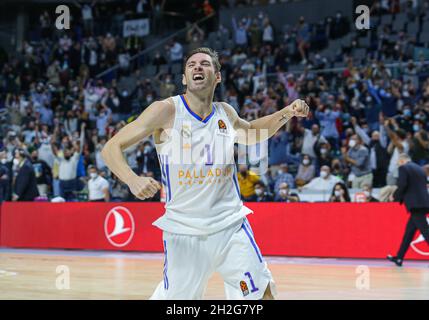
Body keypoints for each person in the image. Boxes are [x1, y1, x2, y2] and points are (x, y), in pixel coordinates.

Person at [101, 47, 309, 300]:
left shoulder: (225, 112)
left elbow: (253, 132)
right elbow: (111, 147)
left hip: (230, 225)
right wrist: (132, 179)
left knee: (262, 295)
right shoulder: (166, 110)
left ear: (217, 76)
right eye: (191, 65)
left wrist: (287, 112)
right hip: (184, 231)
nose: (198, 67)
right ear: (184, 79)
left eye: (205, 64)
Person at [387, 154, 429, 267]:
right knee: (409, 233)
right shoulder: (420, 169)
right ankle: (399, 258)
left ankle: (399, 258)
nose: (397, 165)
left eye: (398, 162)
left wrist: (394, 196)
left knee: (426, 232)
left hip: (415, 204)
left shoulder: (403, 168)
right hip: (424, 203)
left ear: (402, 160)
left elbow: (402, 184)